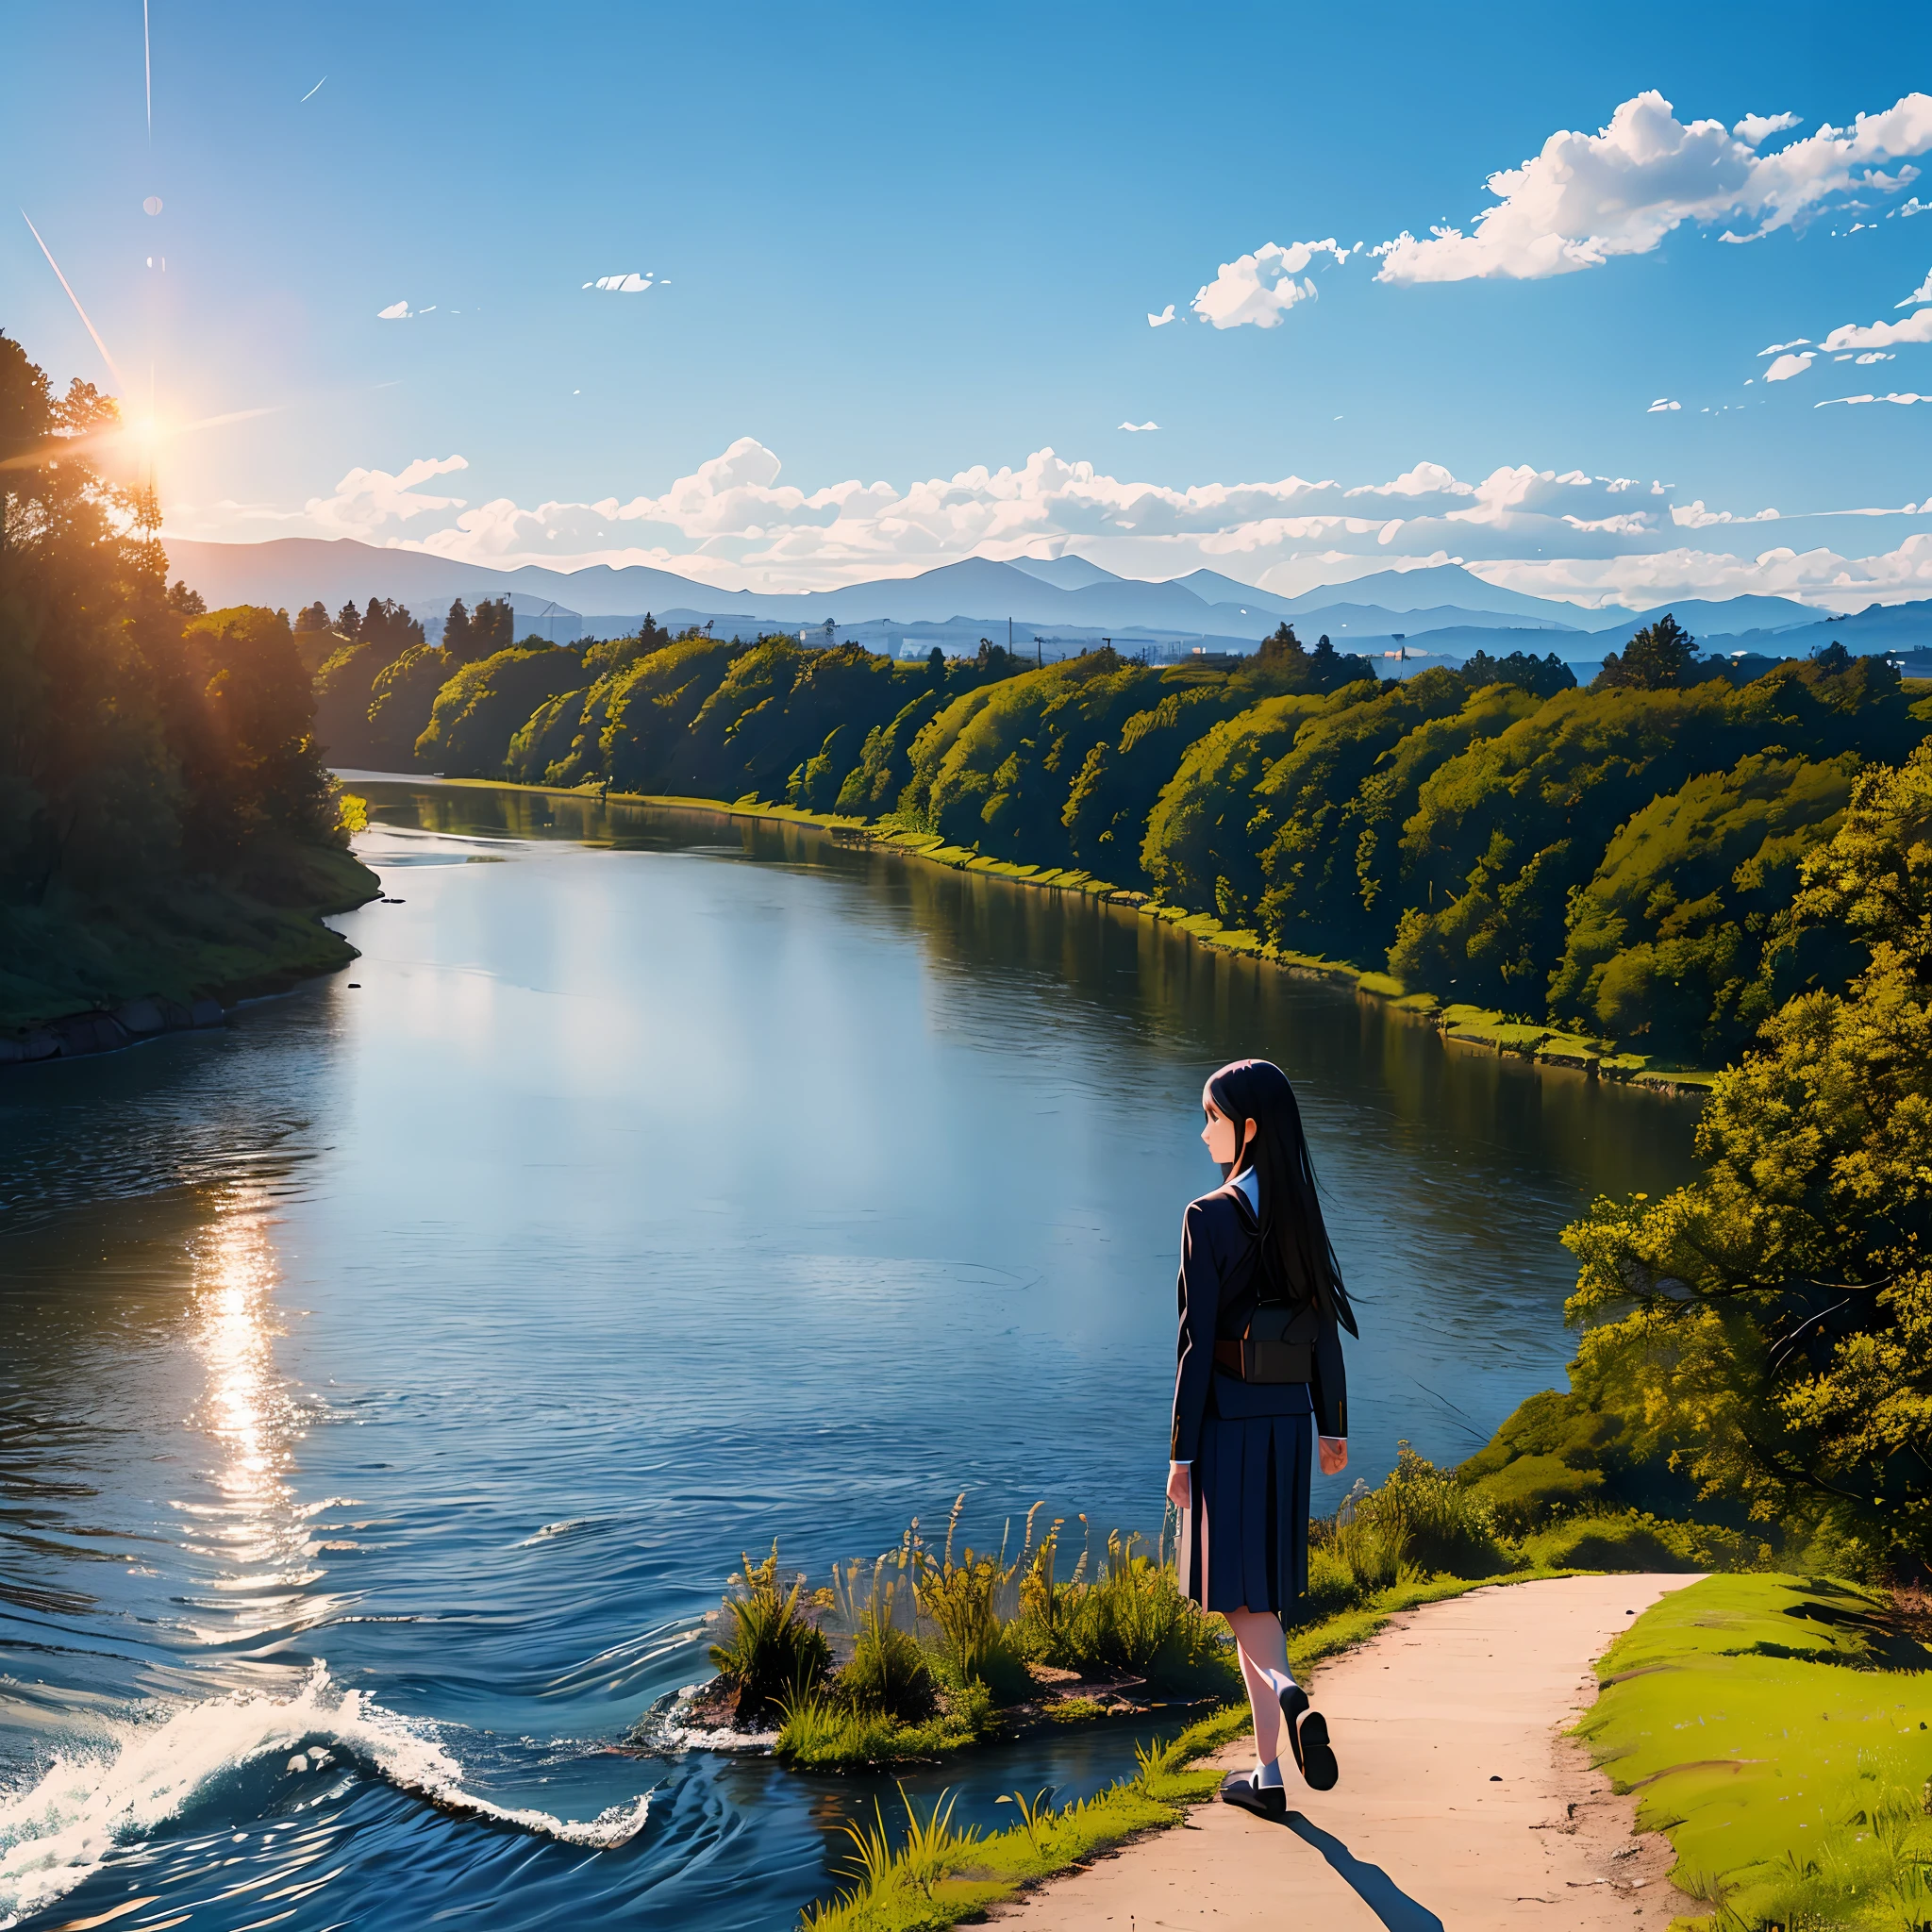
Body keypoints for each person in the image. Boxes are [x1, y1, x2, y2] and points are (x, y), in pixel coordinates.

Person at [1167, 1058, 1357, 1820]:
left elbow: (1194, 1340)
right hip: (1287, 1425)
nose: (1204, 1128)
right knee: (1262, 1603)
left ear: (1247, 1128)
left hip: (1226, 1426)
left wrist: (1180, 1453)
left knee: (1242, 1605)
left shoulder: (1207, 1216)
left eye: (1211, 1116)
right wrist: (1333, 1423)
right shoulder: (1299, 1212)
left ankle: (1289, 1693)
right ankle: (1269, 1775)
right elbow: (1326, 1327)